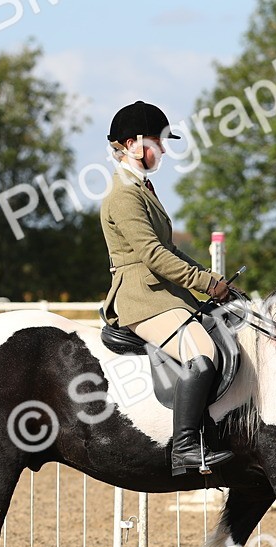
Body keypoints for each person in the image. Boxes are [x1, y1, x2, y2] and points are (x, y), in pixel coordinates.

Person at [100, 100, 234, 476]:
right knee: (202, 352)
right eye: (157, 142)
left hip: (163, 294)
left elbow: (170, 249)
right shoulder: (124, 195)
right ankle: (185, 447)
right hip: (141, 297)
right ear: (132, 144)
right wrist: (205, 283)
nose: (162, 149)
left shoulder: (143, 188)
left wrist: (211, 280)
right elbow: (153, 255)